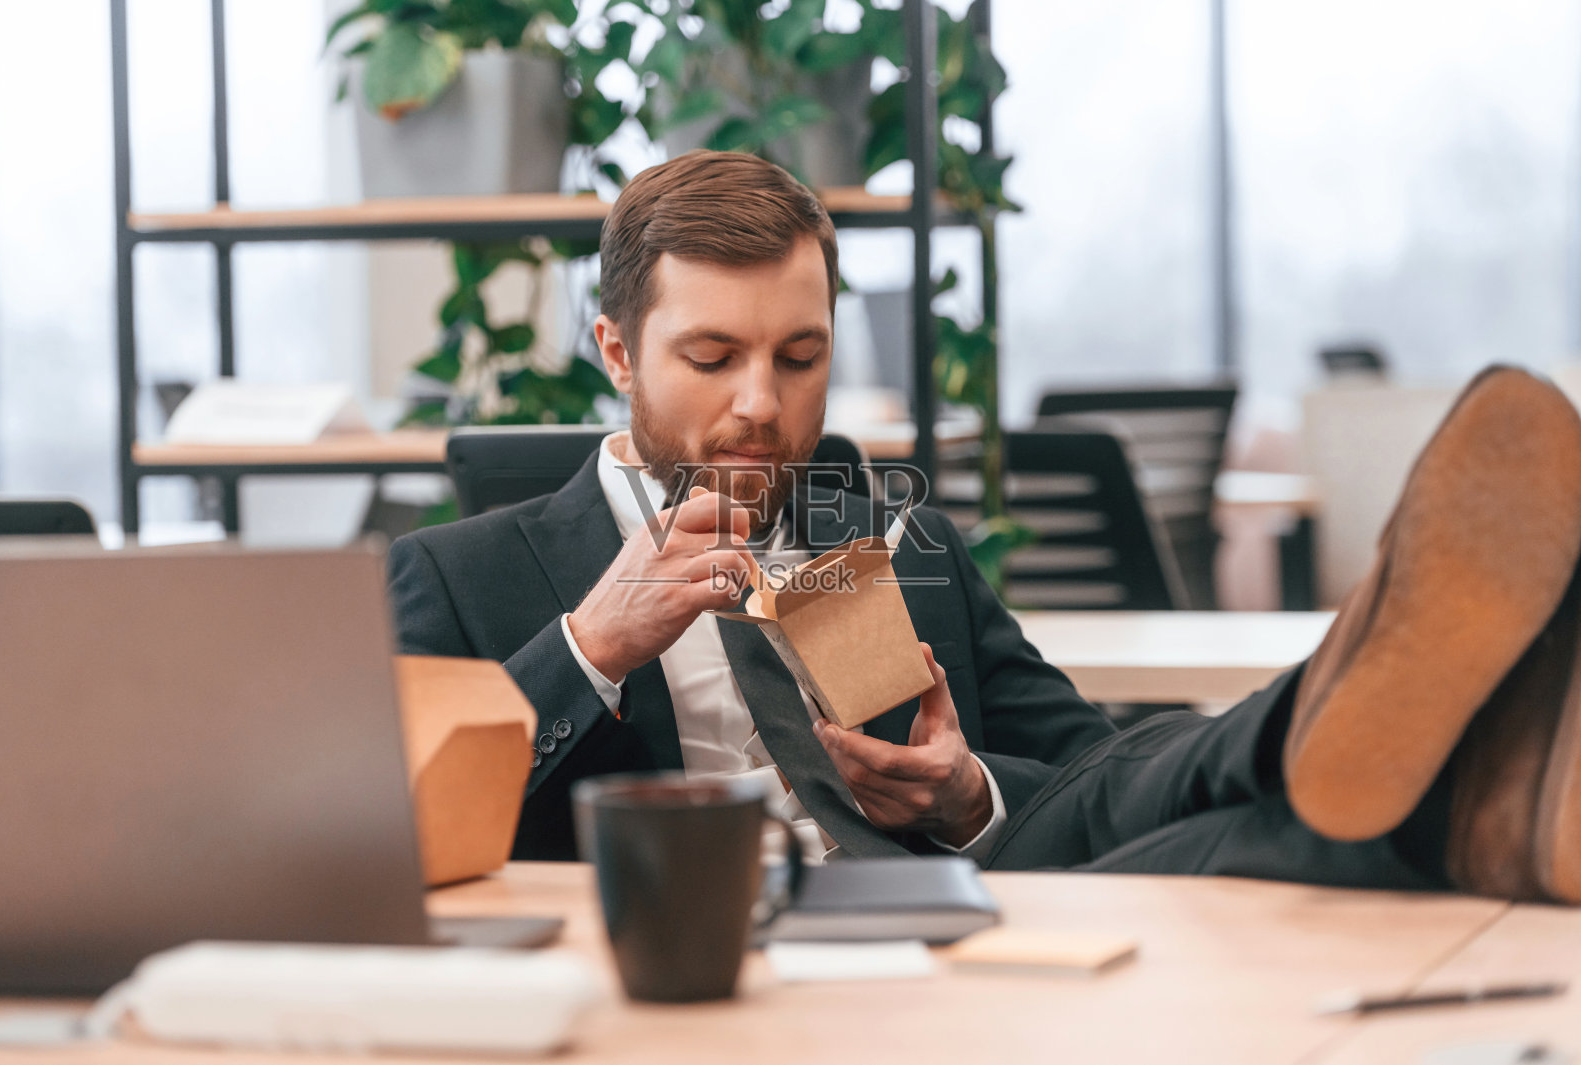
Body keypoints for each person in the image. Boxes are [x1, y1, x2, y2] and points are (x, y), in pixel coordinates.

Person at [388, 150, 1581, 902]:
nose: (760, 402)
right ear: (616, 354)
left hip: (946, 917)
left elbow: (1093, 770)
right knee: (1260, 839)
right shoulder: (461, 574)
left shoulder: (886, 540)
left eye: (798, 357)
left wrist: (962, 796)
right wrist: (590, 648)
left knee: (1201, 791)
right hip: (708, 939)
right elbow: (393, 833)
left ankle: (1406, 742)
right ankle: (1452, 770)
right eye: (711, 357)